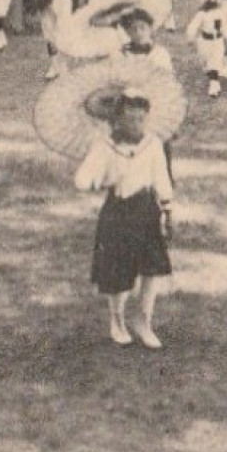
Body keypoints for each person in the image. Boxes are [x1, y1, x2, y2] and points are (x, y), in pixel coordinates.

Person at [74, 91, 175, 348]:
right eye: (130, 119)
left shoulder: (152, 144)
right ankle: (117, 321)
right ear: (117, 120)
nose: (136, 124)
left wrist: (167, 209)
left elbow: (162, 177)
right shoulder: (104, 145)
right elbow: (83, 178)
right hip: (118, 212)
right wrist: (100, 179)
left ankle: (144, 321)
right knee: (118, 271)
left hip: (147, 211)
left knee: (151, 270)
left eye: (141, 118)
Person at [185, 0, 227, 98]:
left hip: (217, 41)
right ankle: (214, 82)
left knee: (215, 62)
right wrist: (190, 38)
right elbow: (193, 26)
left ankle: (213, 85)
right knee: (206, 62)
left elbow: (225, 27)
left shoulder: (220, 13)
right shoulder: (202, 14)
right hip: (204, 41)